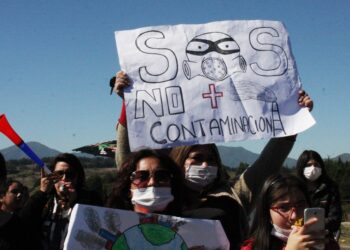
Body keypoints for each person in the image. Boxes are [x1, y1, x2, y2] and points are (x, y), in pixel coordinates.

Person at [112, 71, 314, 249]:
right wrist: (129, 106)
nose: (205, 165)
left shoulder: (234, 195)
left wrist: (292, 117)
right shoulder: (162, 198)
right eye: (197, 158)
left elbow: (269, 163)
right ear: (179, 161)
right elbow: (129, 163)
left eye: (211, 159)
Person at [20, 153, 103, 250]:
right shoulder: (45, 199)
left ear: (77, 177)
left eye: (70, 174)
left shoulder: (91, 199)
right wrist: (42, 192)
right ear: (52, 177)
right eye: (59, 174)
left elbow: (95, 230)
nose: (64, 178)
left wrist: (75, 204)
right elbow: (22, 222)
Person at [241, 174, 339, 250]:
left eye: (300, 205)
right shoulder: (251, 247)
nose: (294, 216)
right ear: (267, 212)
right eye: (283, 208)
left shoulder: (328, 245)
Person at [106, 148, 185, 216]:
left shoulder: (193, 227)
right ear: (127, 188)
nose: (152, 182)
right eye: (141, 177)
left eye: (162, 176)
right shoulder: (109, 226)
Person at [296, 150, 342, 239]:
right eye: (308, 165)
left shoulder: (330, 188)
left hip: (324, 238)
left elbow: (335, 219)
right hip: (298, 237)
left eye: (316, 165)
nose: (313, 168)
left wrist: (311, 225)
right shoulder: (294, 188)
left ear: (321, 167)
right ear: (301, 167)